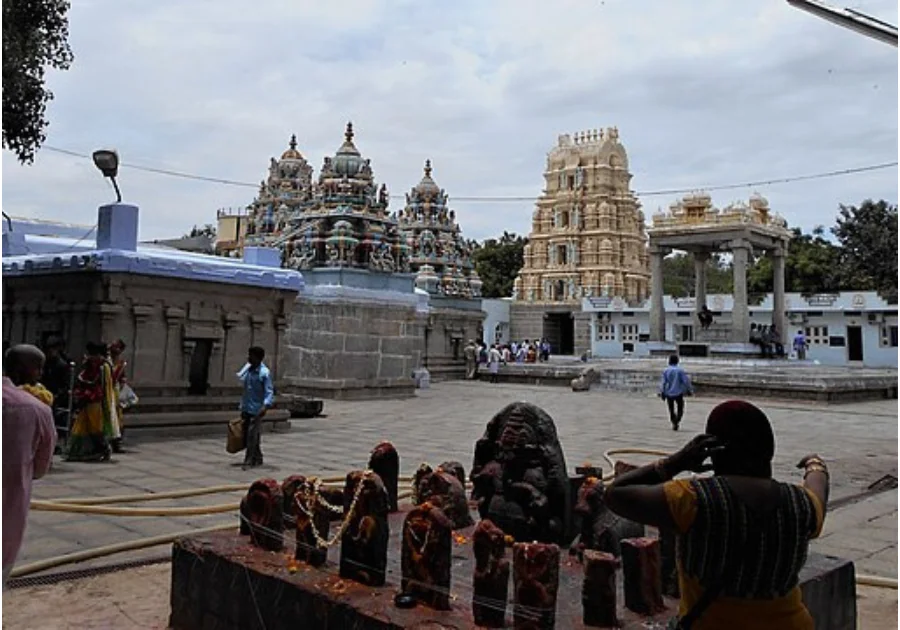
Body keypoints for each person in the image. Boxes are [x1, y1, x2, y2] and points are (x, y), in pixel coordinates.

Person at [605, 400, 829, 630]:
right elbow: (817, 486)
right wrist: (815, 464)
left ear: (712, 452)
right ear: (769, 449)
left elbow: (615, 493)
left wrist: (676, 462)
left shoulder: (694, 499)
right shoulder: (801, 505)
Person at [3, 346, 57, 586]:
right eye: (38, 368)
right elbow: (41, 467)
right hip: (9, 505)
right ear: (23, 369)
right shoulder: (39, 410)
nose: (40, 374)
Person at [67, 342, 120, 462]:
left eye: (93, 354)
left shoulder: (104, 366)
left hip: (97, 399)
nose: (90, 356)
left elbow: (104, 384)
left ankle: (103, 448)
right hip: (87, 398)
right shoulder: (90, 364)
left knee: (96, 427)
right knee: (82, 425)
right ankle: (82, 451)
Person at [237, 346, 274, 470]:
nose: (249, 358)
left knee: (252, 434)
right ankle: (257, 456)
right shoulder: (247, 369)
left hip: (257, 409)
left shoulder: (264, 373)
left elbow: (269, 391)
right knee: (250, 434)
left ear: (258, 358)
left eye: (251, 356)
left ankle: (249, 459)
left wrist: (265, 406)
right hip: (247, 406)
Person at [659, 354, 693, 430]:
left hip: (669, 393)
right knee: (680, 408)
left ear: (669, 361)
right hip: (678, 392)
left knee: (671, 409)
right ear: (677, 361)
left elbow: (663, 383)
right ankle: (677, 420)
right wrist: (689, 390)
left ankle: (673, 421)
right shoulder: (680, 370)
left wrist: (662, 392)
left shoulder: (666, 371)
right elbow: (686, 381)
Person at [108, 339, 128, 453]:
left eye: (117, 348)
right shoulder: (106, 361)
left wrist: (123, 384)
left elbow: (122, 379)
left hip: (115, 392)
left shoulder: (121, 364)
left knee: (118, 419)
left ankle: (117, 443)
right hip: (106, 391)